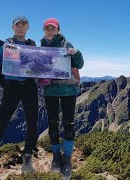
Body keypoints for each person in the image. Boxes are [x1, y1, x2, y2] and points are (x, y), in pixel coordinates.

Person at [0, 16, 38, 176]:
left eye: (23, 25)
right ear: (13, 27)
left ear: (27, 27)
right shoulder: (4, 45)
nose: (20, 27)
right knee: (1, 122)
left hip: (28, 86)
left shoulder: (32, 46)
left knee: (32, 123)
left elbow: (37, 65)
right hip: (11, 87)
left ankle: (27, 160)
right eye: (17, 25)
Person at [39, 17, 84, 177]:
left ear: (58, 30)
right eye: (47, 28)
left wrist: (76, 53)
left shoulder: (66, 45)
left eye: (53, 28)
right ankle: (56, 156)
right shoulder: (41, 48)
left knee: (68, 123)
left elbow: (79, 63)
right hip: (50, 91)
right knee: (52, 123)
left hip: (67, 91)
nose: (50, 31)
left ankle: (67, 158)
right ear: (44, 30)